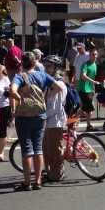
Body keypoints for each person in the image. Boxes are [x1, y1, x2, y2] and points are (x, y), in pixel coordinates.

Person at [10, 52, 62, 191]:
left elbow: (12, 90)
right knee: (38, 148)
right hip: (40, 114)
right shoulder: (43, 75)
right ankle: (37, 181)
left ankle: (27, 183)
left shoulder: (19, 76)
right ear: (35, 63)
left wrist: (19, 98)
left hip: (24, 116)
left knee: (27, 149)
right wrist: (45, 96)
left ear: (22, 63)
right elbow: (59, 87)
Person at [42, 55, 68, 183]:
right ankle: (50, 173)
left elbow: (56, 107)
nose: (46, 69)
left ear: (56, 68)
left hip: (54, 121)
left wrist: (42, 116)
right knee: (46, 149)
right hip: (47, 121)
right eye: (45, 66)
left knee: (55, 150)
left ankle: (57, 174)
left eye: (49, 66)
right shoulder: (49, 82)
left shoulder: (59, 84)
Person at [78, 48, 100, 132]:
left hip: (90, 89)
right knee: (88, 108)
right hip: (83, 88)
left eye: (95, 54)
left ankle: (71, 121)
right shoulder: (85, 65)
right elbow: (83, 76)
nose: (94, 56)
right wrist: (93, 81)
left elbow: (93, 77)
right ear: (89, 55)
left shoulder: (95, 65)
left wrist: (93, 88)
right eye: (92, 54)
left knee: (87, 108)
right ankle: (88, 125)